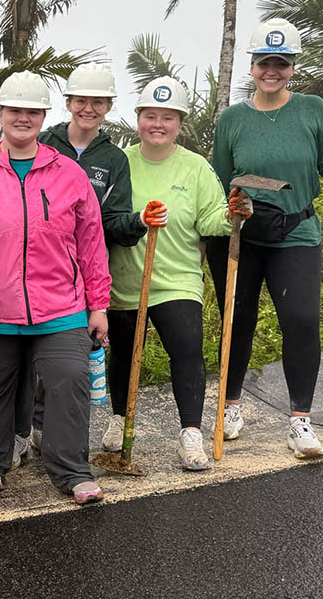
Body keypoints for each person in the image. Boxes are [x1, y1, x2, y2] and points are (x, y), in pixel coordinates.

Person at [0, 72, 111, 504]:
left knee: (69, 378)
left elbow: (90, 241)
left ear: (44, 115)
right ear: (1, 114)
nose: (23, 119)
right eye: (15, 110)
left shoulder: (68, 172)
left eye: (32, 111)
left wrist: (99, 304)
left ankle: (71, 470)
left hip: (61, 308)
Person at [208, 18, 323, 458]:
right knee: (237, 320)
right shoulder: (232, 119)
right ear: (252, 66)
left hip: (298, 231)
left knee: (301, 321)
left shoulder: (312, 109)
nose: (272, 71)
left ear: (292, 68)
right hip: (243, 235)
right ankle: (230, 406)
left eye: (281, 64)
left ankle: (300, 420)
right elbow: (219, 180)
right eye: (265, 62)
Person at [106, 77, 250, 471]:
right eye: (150, 115)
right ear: (137, 119)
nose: (158, 124)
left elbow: (209, 218)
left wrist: (231, 215)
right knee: (122, 354)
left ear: (179, 124)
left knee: (187, 350)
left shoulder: (195, 166)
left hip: (177, 280)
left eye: (167, 118)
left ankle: (190, 433)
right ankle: (121, 419)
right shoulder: (121, 162)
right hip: (125, 279)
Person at [29, 63, 146, 454]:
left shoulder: (114, 159)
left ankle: (51, 430)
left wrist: (139, 222)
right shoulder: (44, 141)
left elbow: (113, 221)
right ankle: (24, 425)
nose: (89, 108)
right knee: (30, 351)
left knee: (69, 353)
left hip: (84, 271)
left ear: (109, 105)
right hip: (34, 265)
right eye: (82, 100)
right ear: (69, 102)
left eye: (98, 102)